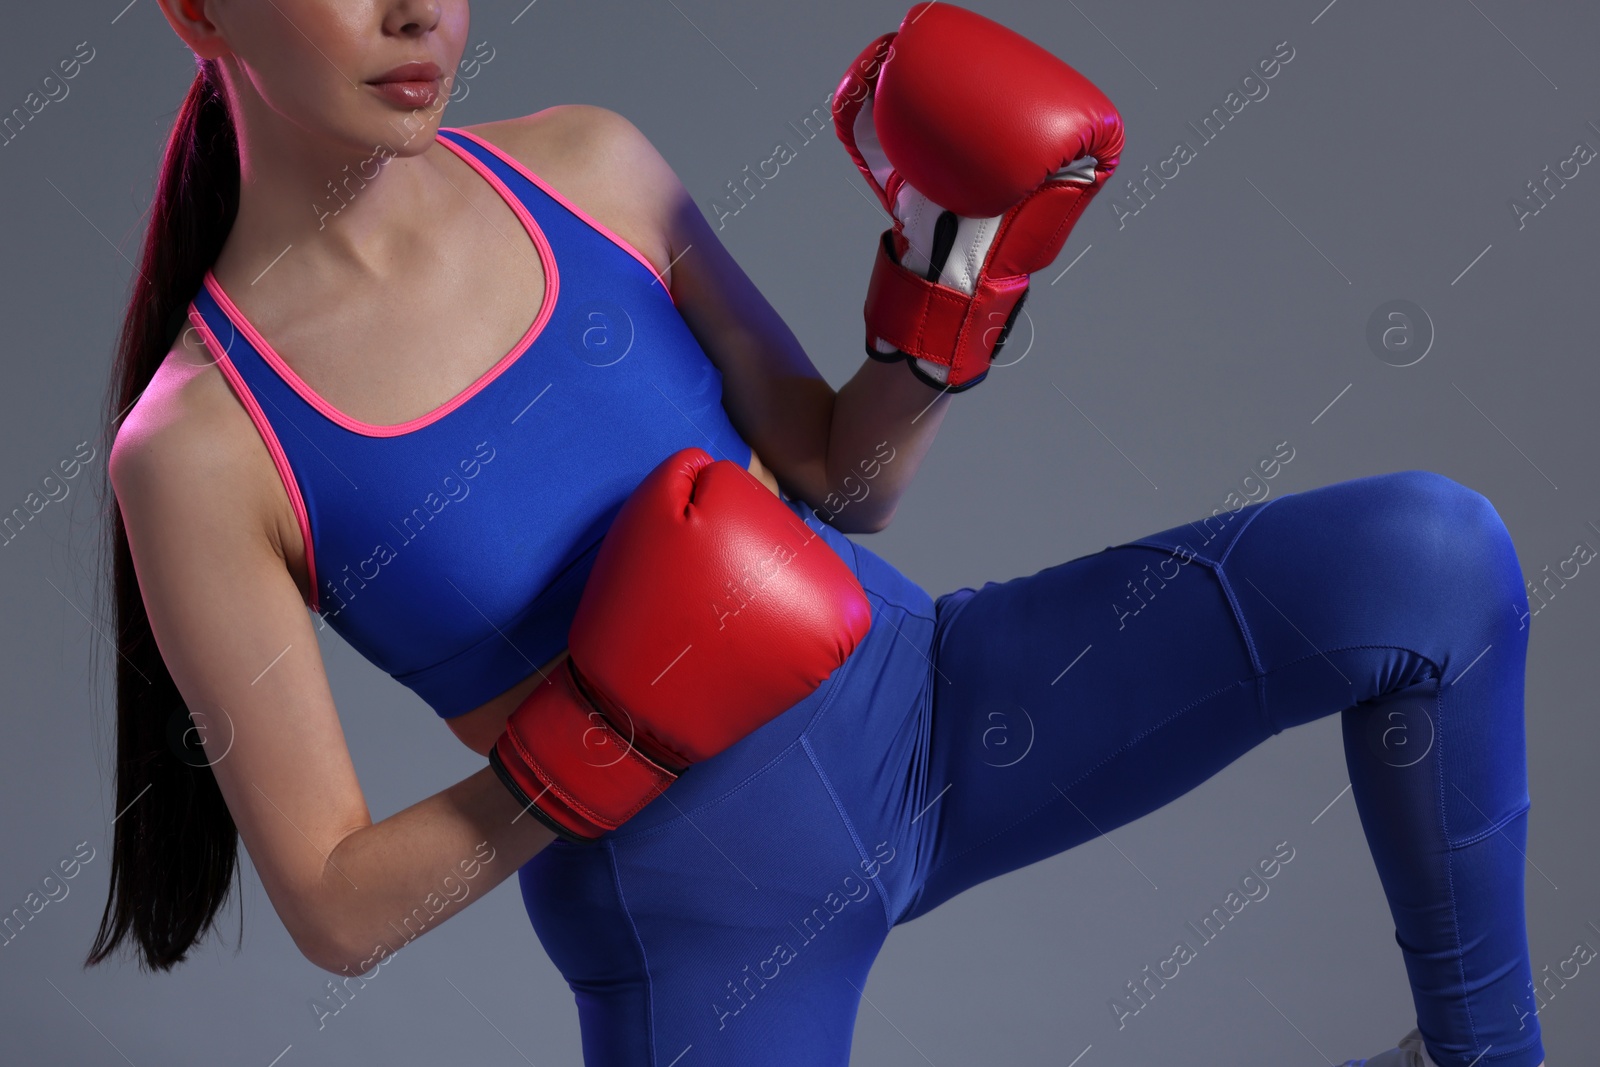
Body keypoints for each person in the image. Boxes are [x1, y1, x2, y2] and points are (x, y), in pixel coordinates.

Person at [86, 3, 1548, 1066]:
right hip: (698, 907)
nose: (418, 11)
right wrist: (606, 737)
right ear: (196, 10)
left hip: (933, 707)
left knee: (1431, 560)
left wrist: (938, 293)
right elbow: (338, 906)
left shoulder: (587, 168)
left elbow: (840, 485)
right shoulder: (203, 445)